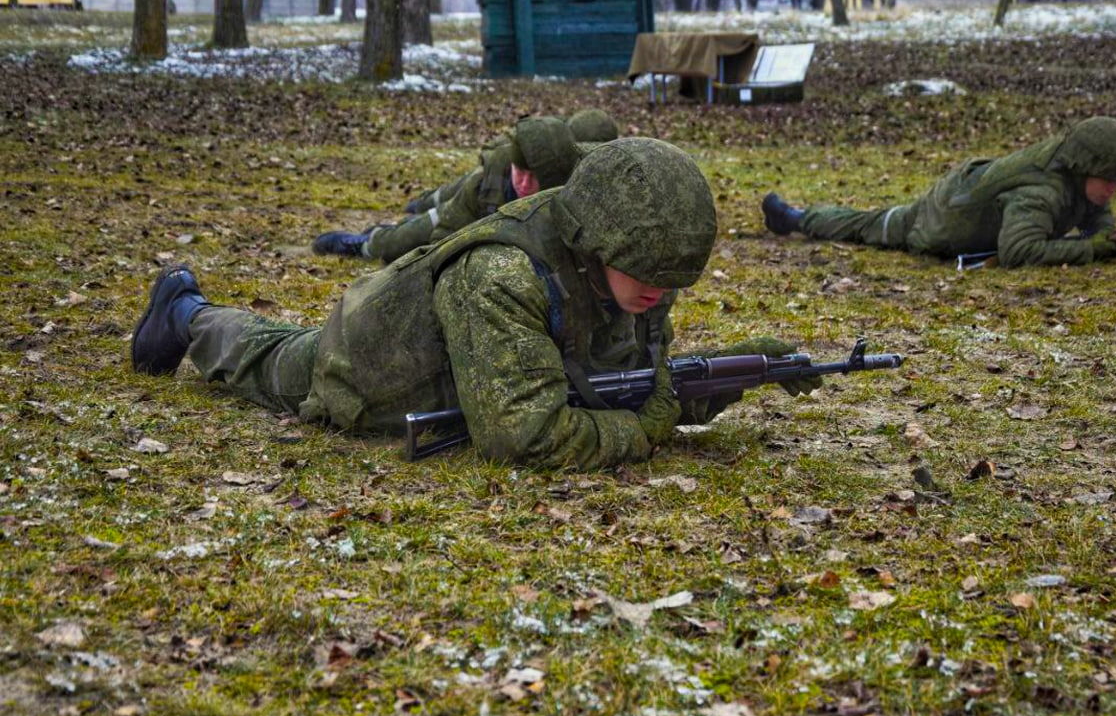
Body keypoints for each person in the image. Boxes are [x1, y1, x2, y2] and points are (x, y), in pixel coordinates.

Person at [130, 138, 815, 470]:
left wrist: (745, 370)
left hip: (477, 366)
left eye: (671, 279)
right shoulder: (503, 274)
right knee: (268, 357)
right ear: (598, 240)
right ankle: (185, 313)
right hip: (369, 361)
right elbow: (525, 434)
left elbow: (622, 383)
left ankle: (189, 311)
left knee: (275, 343)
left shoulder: (628, 268)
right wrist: (645, 433)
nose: (658, 293)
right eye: (646, 272)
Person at [761, 116, 1116, 268]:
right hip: (940, 221)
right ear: (1082, 167)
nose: (1113, 189)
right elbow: (1018, 252)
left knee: (872, 220)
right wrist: (1091, 248)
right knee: (872, 225)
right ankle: (795, 218)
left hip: (963, 195)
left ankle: (797, 215)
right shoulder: (1040, 194)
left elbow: (1092, 212)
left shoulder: (1072, 175)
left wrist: (1103, 233)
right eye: (1107, 179)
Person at [313, 115, 582, 264]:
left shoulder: (578, 193)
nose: (523, 184)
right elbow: (443, 234)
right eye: (519, 172)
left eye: (533, 177)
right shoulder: (489, 182)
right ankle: (366, 244)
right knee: (408, 238)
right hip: (467, 220)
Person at [404, 108, 619, 216]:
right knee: (453, 195)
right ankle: (421, 204)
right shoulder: (544, 145)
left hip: (505, 171)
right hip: (498, 169)